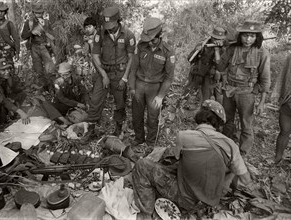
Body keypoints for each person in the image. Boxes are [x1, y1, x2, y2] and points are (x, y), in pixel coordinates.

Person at [132, 100, 255, 219]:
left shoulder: (184, 136)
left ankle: (146, 213)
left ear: (200, 115)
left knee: (142, 165)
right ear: (218, 124)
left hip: (184, 198)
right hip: (207, 204)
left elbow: (175, 159)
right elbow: (245, 180)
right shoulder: (230, 145)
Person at [81, 6, 136, 142]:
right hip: (103, 72)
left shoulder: (128, 35)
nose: (109, 28)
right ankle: (91, 129)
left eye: (111, 25)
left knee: (120, 103)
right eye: (107, 25)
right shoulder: (100, 34)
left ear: (118, 21)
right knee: (95, 100)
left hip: (120, 73)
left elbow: (131, 58)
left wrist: (124, 78)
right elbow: (95, 55)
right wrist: (104, 75)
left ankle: (118, 129)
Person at [216, 20, 271, 155]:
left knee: (246, 125)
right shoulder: (232, 49)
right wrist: (219, 49)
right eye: (245, 35)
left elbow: (265, 78)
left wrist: (262, 102)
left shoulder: (262, 53)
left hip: (247, 92)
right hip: (229, 90)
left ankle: (243, 154)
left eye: (252, 36)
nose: (248, 39)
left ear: (257, 37)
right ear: (240, 36)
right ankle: (226, 149)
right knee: (227, 121)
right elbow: (220, 67)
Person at [129, 17, 175, 147]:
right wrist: (132, 87)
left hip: (155, 89)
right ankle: (139, 139)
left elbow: (169, 77)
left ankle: (150, 143)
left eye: (153, 40)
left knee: (152, 118)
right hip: (139, 86)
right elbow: (133, 68)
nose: (150, 43)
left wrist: (160, 96)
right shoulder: (141, 46)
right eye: (147, 40)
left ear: (160, 36)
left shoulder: (168, 51)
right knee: (136, 116)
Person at [187, 26, 227, 104]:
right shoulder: (203, 44)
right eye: (215, 38)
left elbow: (222, 66)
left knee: (215, 101)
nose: (217, 41)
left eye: (219, 39)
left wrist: (217, 50)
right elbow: (190, 59)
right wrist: (197, 51)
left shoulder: (225, 49)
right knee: (191, 97)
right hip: (199, 75)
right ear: (211, 37)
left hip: (214, 78)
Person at [0, 58, 30, 125]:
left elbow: (12, 91)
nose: (7, 71)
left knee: (21, 94)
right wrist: (20, 112)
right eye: (3, 70)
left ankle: (12, 113)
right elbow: (2, 100)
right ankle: (3, 119)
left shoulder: (2, 80)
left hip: (3, 105)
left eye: (8, 69)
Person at [21, 2, 55, 89]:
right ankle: (43, 89)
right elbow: (23, 36)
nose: (38, 14)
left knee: (50, 70)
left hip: (45, 47)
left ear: (43, 13)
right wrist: (31, 32)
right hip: (34, 48)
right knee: (38, 70)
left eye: (40, 13)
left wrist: (45, 30)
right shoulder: (29, 22)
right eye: (36, 13)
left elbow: (53, 36)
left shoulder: (47, 22)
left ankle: (53, 88)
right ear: (33, 12)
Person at [271, 40, 291, 163]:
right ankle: (278, 157)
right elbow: (283, 76)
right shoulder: (290, 57)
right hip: (287, 102)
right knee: (284, 131)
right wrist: (276, 94)